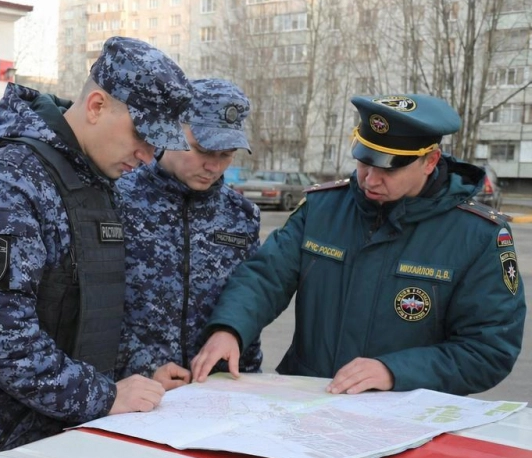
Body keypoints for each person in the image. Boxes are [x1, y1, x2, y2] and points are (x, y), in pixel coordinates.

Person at [0, 37, 194, 458]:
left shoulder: (97, 181)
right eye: (142, 136)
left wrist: (141, 370)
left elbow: (94, 306)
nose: (149, 156)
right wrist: (105, 396)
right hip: (3, 457)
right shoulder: (7, 180)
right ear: (96, 106)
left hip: (73, 440)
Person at [191, 93, 526, 395]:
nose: (370, 180)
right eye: (365, 162)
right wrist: (230, 329)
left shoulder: (477, 234)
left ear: (430, 161)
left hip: (403, 418)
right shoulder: (323, 209)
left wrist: (394, 371)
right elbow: (266, 277)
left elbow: (488, 350)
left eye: (388, 170)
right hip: (308, 401)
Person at [115, 79, 263, 386]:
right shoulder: (117, 198)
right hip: (134, 388)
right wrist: (139, 366)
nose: (214, 166)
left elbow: (247, 301)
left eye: (227, 154)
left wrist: (244, 377)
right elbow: (90, 309)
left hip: (215, 390)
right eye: (203, 150)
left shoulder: (242, 215)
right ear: (170, 130)